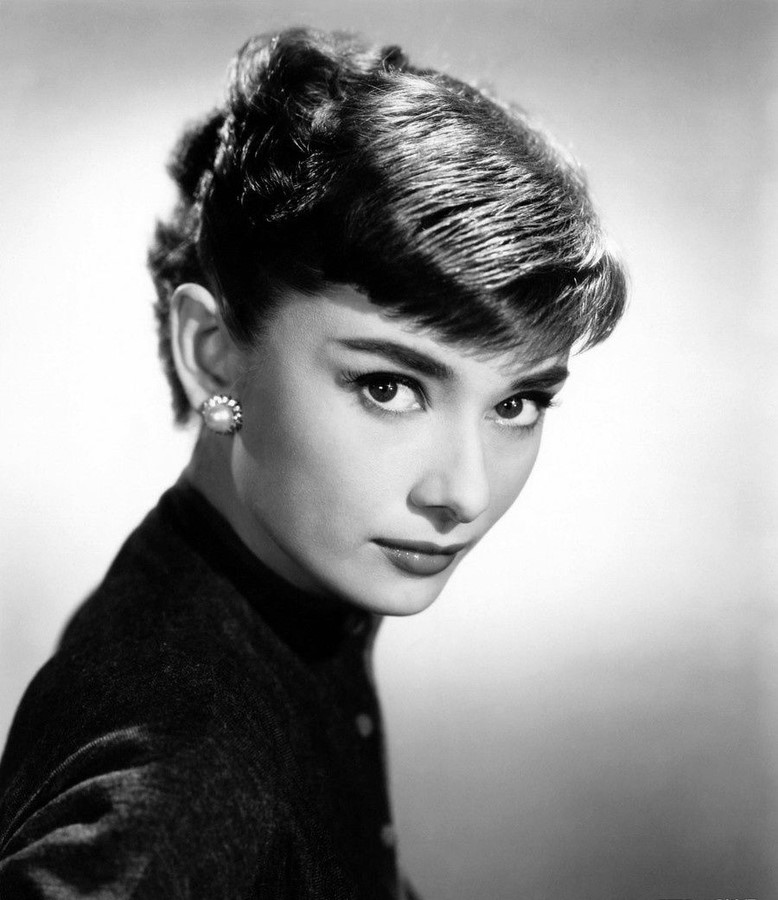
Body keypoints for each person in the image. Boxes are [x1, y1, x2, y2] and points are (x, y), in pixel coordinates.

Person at [0, 26, 626, 899]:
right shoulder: (188, 768)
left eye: (517, 404)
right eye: (388, 387)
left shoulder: (266, 588)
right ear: (214, 354)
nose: (463, 492)